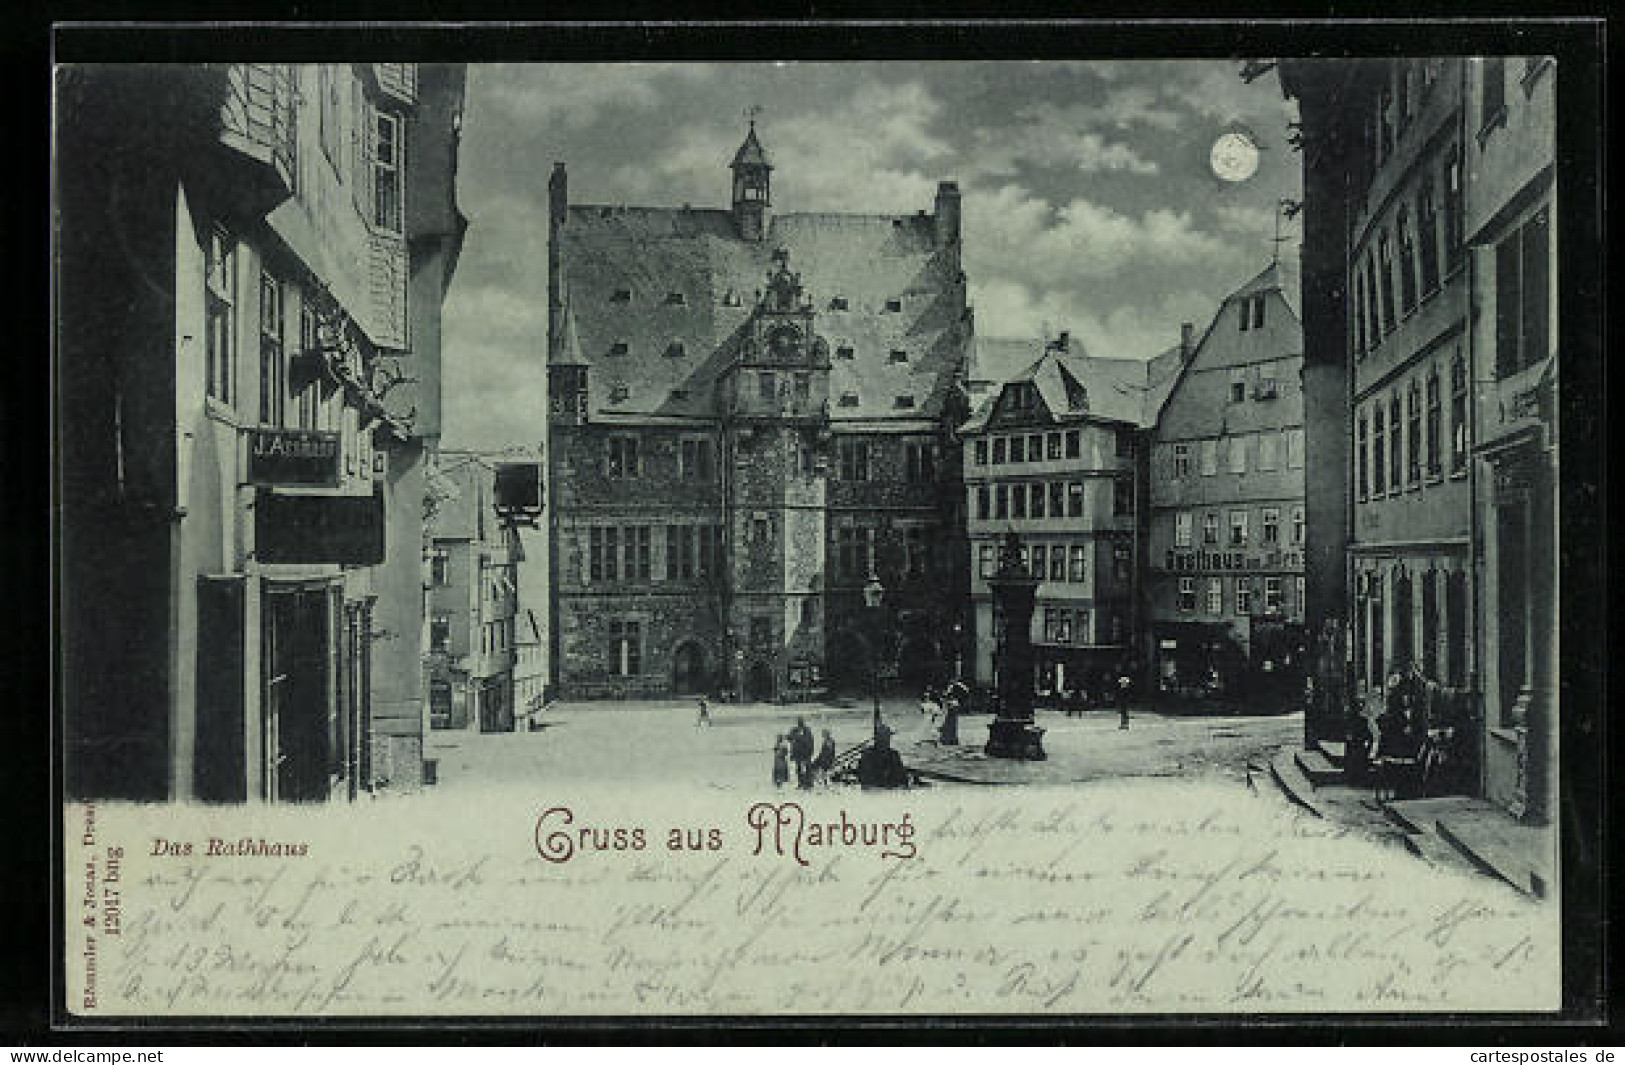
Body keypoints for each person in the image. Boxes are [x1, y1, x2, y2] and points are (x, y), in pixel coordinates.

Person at [788, 716, 815, 790]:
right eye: (799, 722)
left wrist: (810, 751)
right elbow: (789, 738)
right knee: (799, 768)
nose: (800, 723)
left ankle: (809, 783)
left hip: (806, 753)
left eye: (801, 722)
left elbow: (810, 741)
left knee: (807, 768)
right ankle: (801, 783)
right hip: (798, 753)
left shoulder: (807, 730)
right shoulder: (794, 730)